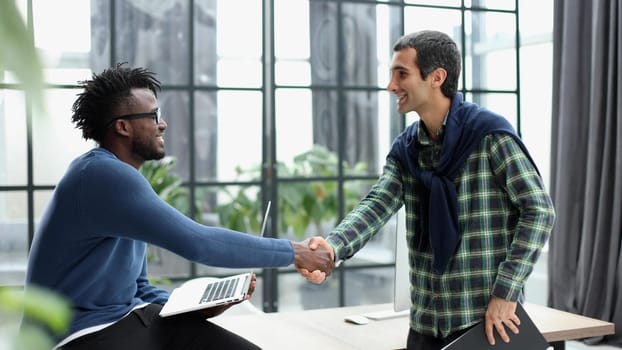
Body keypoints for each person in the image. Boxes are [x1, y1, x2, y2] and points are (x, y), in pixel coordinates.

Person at [24, 63, 333, 350]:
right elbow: (198, 242)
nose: (163, 124)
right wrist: (295, 251)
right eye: (154, 115)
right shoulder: (100, 175)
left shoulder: (117, 177)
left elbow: (138, 286)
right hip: (80, 335)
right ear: (122, 127)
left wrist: (192, 306)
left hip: (124, 317)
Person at [300, 30, 556, 349]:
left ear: (436, 77)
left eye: (401, 74)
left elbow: (539, 212)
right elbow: (377, 205)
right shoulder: (408, 148)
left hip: (484, 322)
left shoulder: (489, 136)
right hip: (425, 323)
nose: (391, 85)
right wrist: (332, 248)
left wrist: (506, 292)